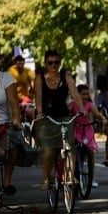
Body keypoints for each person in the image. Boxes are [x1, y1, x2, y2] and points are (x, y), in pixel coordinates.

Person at [33, 50, 82, 191]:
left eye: (56, 62)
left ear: (59, 63)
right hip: (46, 117)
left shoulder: (65, 77)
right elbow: (38, 96)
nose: (53, 65)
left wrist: (81, 108)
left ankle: (70, 175)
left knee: (70, 145)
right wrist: (40, 112)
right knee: (47, 151)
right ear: (45, 63)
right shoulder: (39, 78)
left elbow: (75, 94)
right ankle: (47, 178)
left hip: (64, 115)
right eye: (50, 63)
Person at [0, 54, 24, 194]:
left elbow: (14, 104)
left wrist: (16, 122)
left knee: (13, 145)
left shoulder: (6, 78)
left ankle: (6, 181)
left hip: (3, 125)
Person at [71, 84, 107, 177]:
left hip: (87, 129)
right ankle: (72, 172)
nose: (86, 97)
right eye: (83, 94)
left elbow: (97, 115)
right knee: (74, 150)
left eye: (87, 94)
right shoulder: (73, 105)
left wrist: (102, 118)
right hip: (76, 129)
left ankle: (91, 176)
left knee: (90, 151)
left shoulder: (89, 105)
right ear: (77, 95)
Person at [8, 53, 35, 119]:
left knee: (32, 111)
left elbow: (33, 80)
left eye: (22, 63)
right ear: (15, 63)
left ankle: (31, 125)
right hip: (14, 97)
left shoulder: (27, 70)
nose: (20, 65)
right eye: (18, 63)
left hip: (25, 97)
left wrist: (33, 91)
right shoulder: (11, 70)